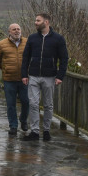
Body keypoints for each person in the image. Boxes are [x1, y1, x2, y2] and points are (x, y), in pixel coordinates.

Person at [21, 13, 69, 141]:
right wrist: (24, 74)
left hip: (50, 77)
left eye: (38, 20)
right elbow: (25, 57)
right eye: (35, 20)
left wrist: (60, 76)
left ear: (46, 22)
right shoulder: (32, 38)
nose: (35, 22)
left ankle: (46, 131)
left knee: (48, 105)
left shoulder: (58, 39)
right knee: (33, 103)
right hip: (33, 76)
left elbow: (64, 58)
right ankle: (35, 132)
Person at [0, 23, 30, 135]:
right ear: (9, 32)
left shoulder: (28, 42)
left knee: (26, 101)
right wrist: (6, 69)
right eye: (14, 29)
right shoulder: (1, 44)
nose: (16, 31)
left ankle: (23, 120)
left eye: (18, 29)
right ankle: (13, 126)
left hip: (24, 79)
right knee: (10, 104)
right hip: (9, 79)